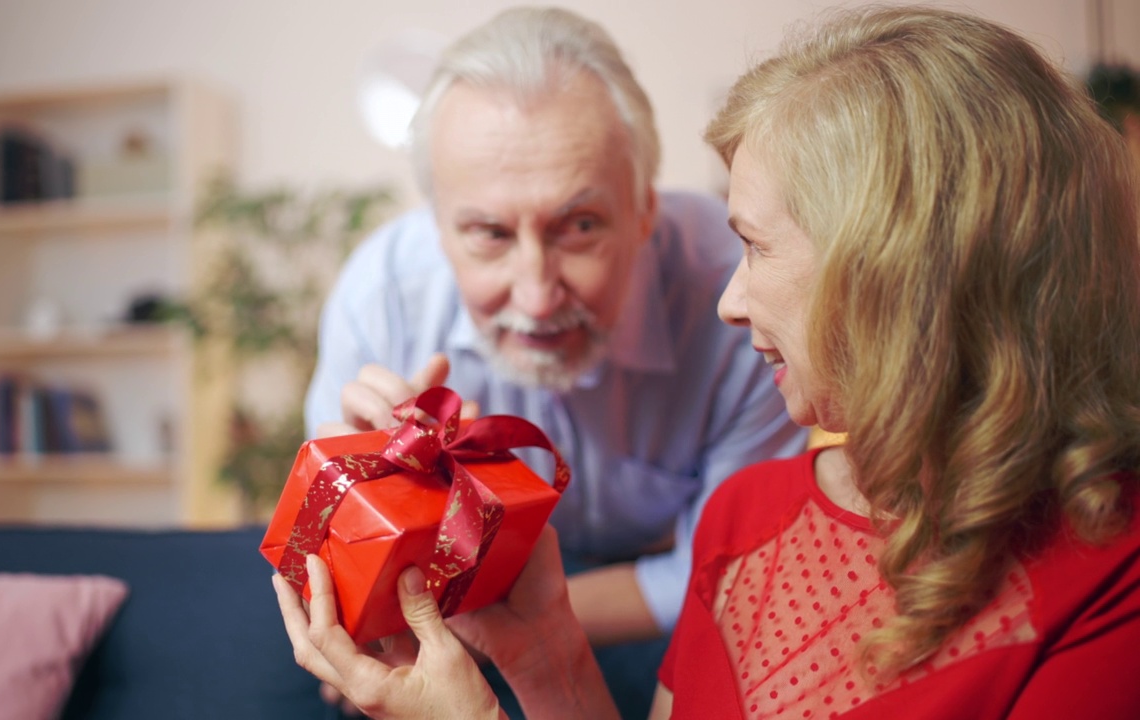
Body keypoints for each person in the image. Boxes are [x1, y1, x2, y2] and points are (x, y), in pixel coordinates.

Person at [276, 4, 1140, 719]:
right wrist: (541, 655)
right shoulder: (746, 517)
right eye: (489, 235)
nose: (537, 293)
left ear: (903, 276)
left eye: (757, 246)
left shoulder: (1108, 580)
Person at [303, 6, 806, 716]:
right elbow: (330, 570)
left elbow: (720, 571)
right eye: (488, 233)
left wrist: (511, 623)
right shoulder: (382, 294)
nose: (538, 298)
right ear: (436, 227)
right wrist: (358, 496)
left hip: (642, 616)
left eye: (580, 226)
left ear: (643, 213)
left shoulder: (740, 297)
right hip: (450, 613)